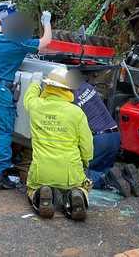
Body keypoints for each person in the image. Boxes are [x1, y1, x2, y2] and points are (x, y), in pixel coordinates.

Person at [0, 11, 53, 190]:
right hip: (1, 90)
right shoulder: (20, 42)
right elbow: (46, 42)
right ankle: (0, 176)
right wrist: (47, 22)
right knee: (4, 132)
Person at [23, 68, 93, 220]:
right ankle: (76, 195)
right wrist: (85, 161)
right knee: (81, 185)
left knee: (32, 187)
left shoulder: (36, 106)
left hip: (42, 170)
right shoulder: (76, 112)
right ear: (68, 90)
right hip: (70, 171)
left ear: (48, 86)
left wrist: (35, 82)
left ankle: (40, 193)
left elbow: (28, 98)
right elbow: (87, 144)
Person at [73, 81, 139, 197]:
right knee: (103, 170)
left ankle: (106, 180)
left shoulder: (69, 98)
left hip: (99, 139)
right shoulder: (87, 86)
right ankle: (126, 176)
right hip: (115, 135)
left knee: (75, 175)